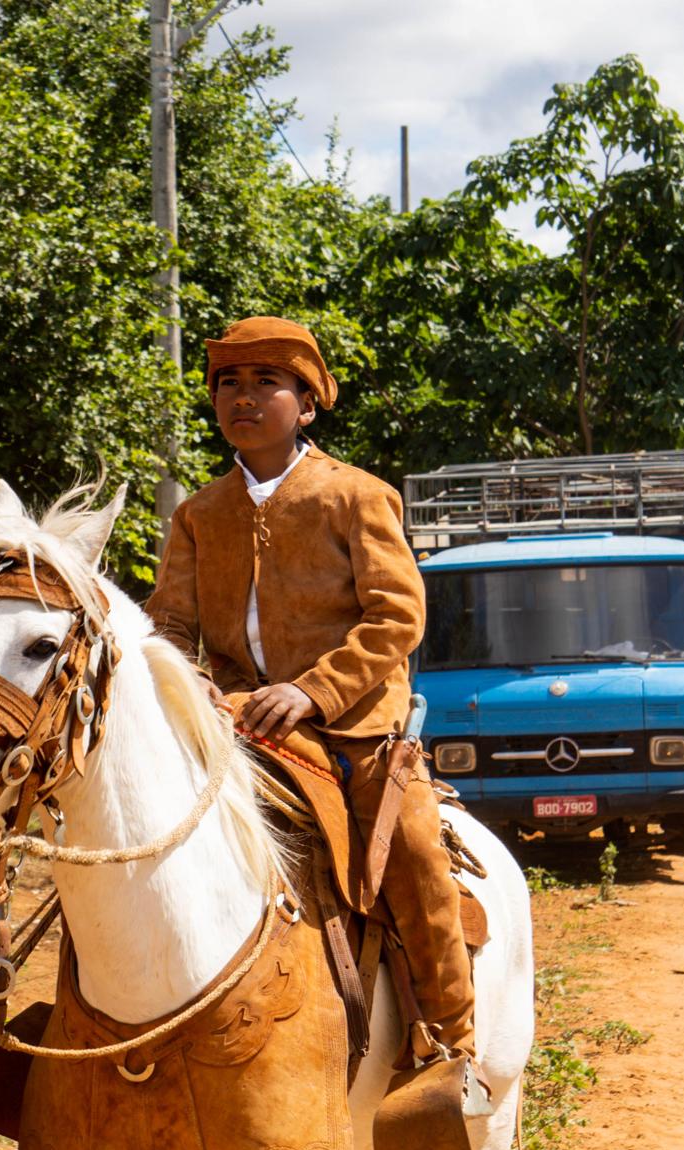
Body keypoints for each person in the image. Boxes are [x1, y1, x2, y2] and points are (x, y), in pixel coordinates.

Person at [144, 316, 476, 1067]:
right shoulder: (198, 514)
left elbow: (398, 617)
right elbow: (169, 626)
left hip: (353, 727)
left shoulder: (356, 495)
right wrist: (193, 686)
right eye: (229, 383)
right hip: (235, 723)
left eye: (267, 382)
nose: (243, 398)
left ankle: (451, 1048)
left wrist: (313, 691)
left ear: (309, 404)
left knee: (414, 856)